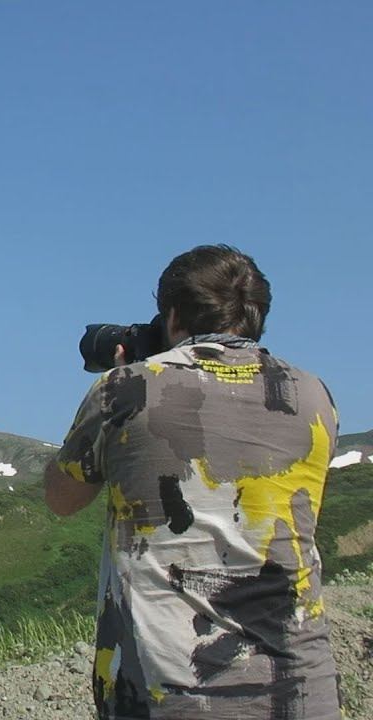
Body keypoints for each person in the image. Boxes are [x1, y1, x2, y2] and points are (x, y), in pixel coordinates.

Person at [44, 245, 341, 719]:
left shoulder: (127, 388)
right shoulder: (312, 394)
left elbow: (62, 498)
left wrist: (125, 374)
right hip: (301, 686)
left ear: (174, 314)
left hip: (169, 689)